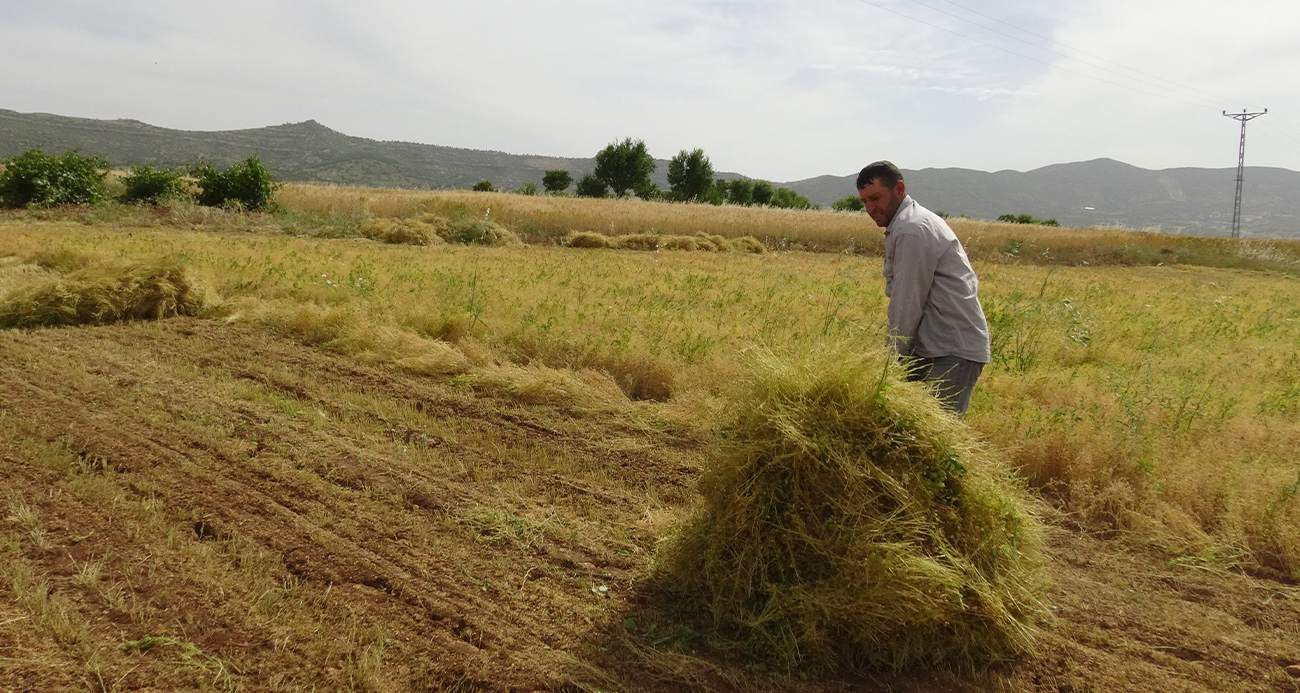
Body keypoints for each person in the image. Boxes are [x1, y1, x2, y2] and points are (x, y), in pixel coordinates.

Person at [856, 161, 990, 417]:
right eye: (864, 202)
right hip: (930, 347)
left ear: (899, 189)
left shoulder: (912, 230)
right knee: (903, 430)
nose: (870, 208)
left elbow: (907, 303)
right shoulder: (906, 224)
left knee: (934, 440)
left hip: (951, 349)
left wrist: (888, 364)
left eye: (875, 198)